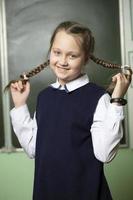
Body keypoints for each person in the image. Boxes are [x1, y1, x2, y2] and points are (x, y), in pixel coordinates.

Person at [9, 21, 132, 200]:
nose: (62, 61)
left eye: (72, 56)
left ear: (86, 58)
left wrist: (117, 100)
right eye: (57, 52)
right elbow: (33, 149)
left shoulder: (98, 98)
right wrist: (20, 106)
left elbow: (105, 154)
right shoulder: (45, 97)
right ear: (50, 51)